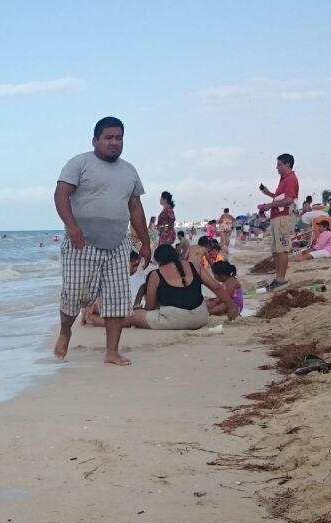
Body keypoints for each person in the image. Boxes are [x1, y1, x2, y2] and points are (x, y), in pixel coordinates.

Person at [53, 116, 151, 365]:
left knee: (117, 299)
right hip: (81, 242)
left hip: (117, 244)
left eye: (119, 137)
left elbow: (135, 208)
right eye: (108, 137)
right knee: (73, 294)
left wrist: (145, 243)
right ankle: (65, 332)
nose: (114, 142)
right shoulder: (80, 163)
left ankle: (112, 352)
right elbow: (61, 194)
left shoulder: (129, 171)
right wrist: (72, 226)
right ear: (95, 140)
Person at [125, 244, 238, 330]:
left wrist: (140, 305)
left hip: (174, 320)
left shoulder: (156, 275)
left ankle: (108, 322)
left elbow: (150, 307)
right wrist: (232, 307)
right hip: (201, 317)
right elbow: (217, 288)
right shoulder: (195, 266)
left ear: (159, 261)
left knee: (132, 315)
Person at [256, 152, 300, 291]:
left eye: (279, 165)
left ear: (287, 164)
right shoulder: (284, 179)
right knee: (276, 250)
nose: (277, 168)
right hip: (277, 217)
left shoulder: (290, 179)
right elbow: (280, 197)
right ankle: (278, 278)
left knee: (282, 249)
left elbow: (289, 199)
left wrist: (269, 206)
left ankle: (281, 279)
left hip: (283, 217)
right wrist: (268, 194)